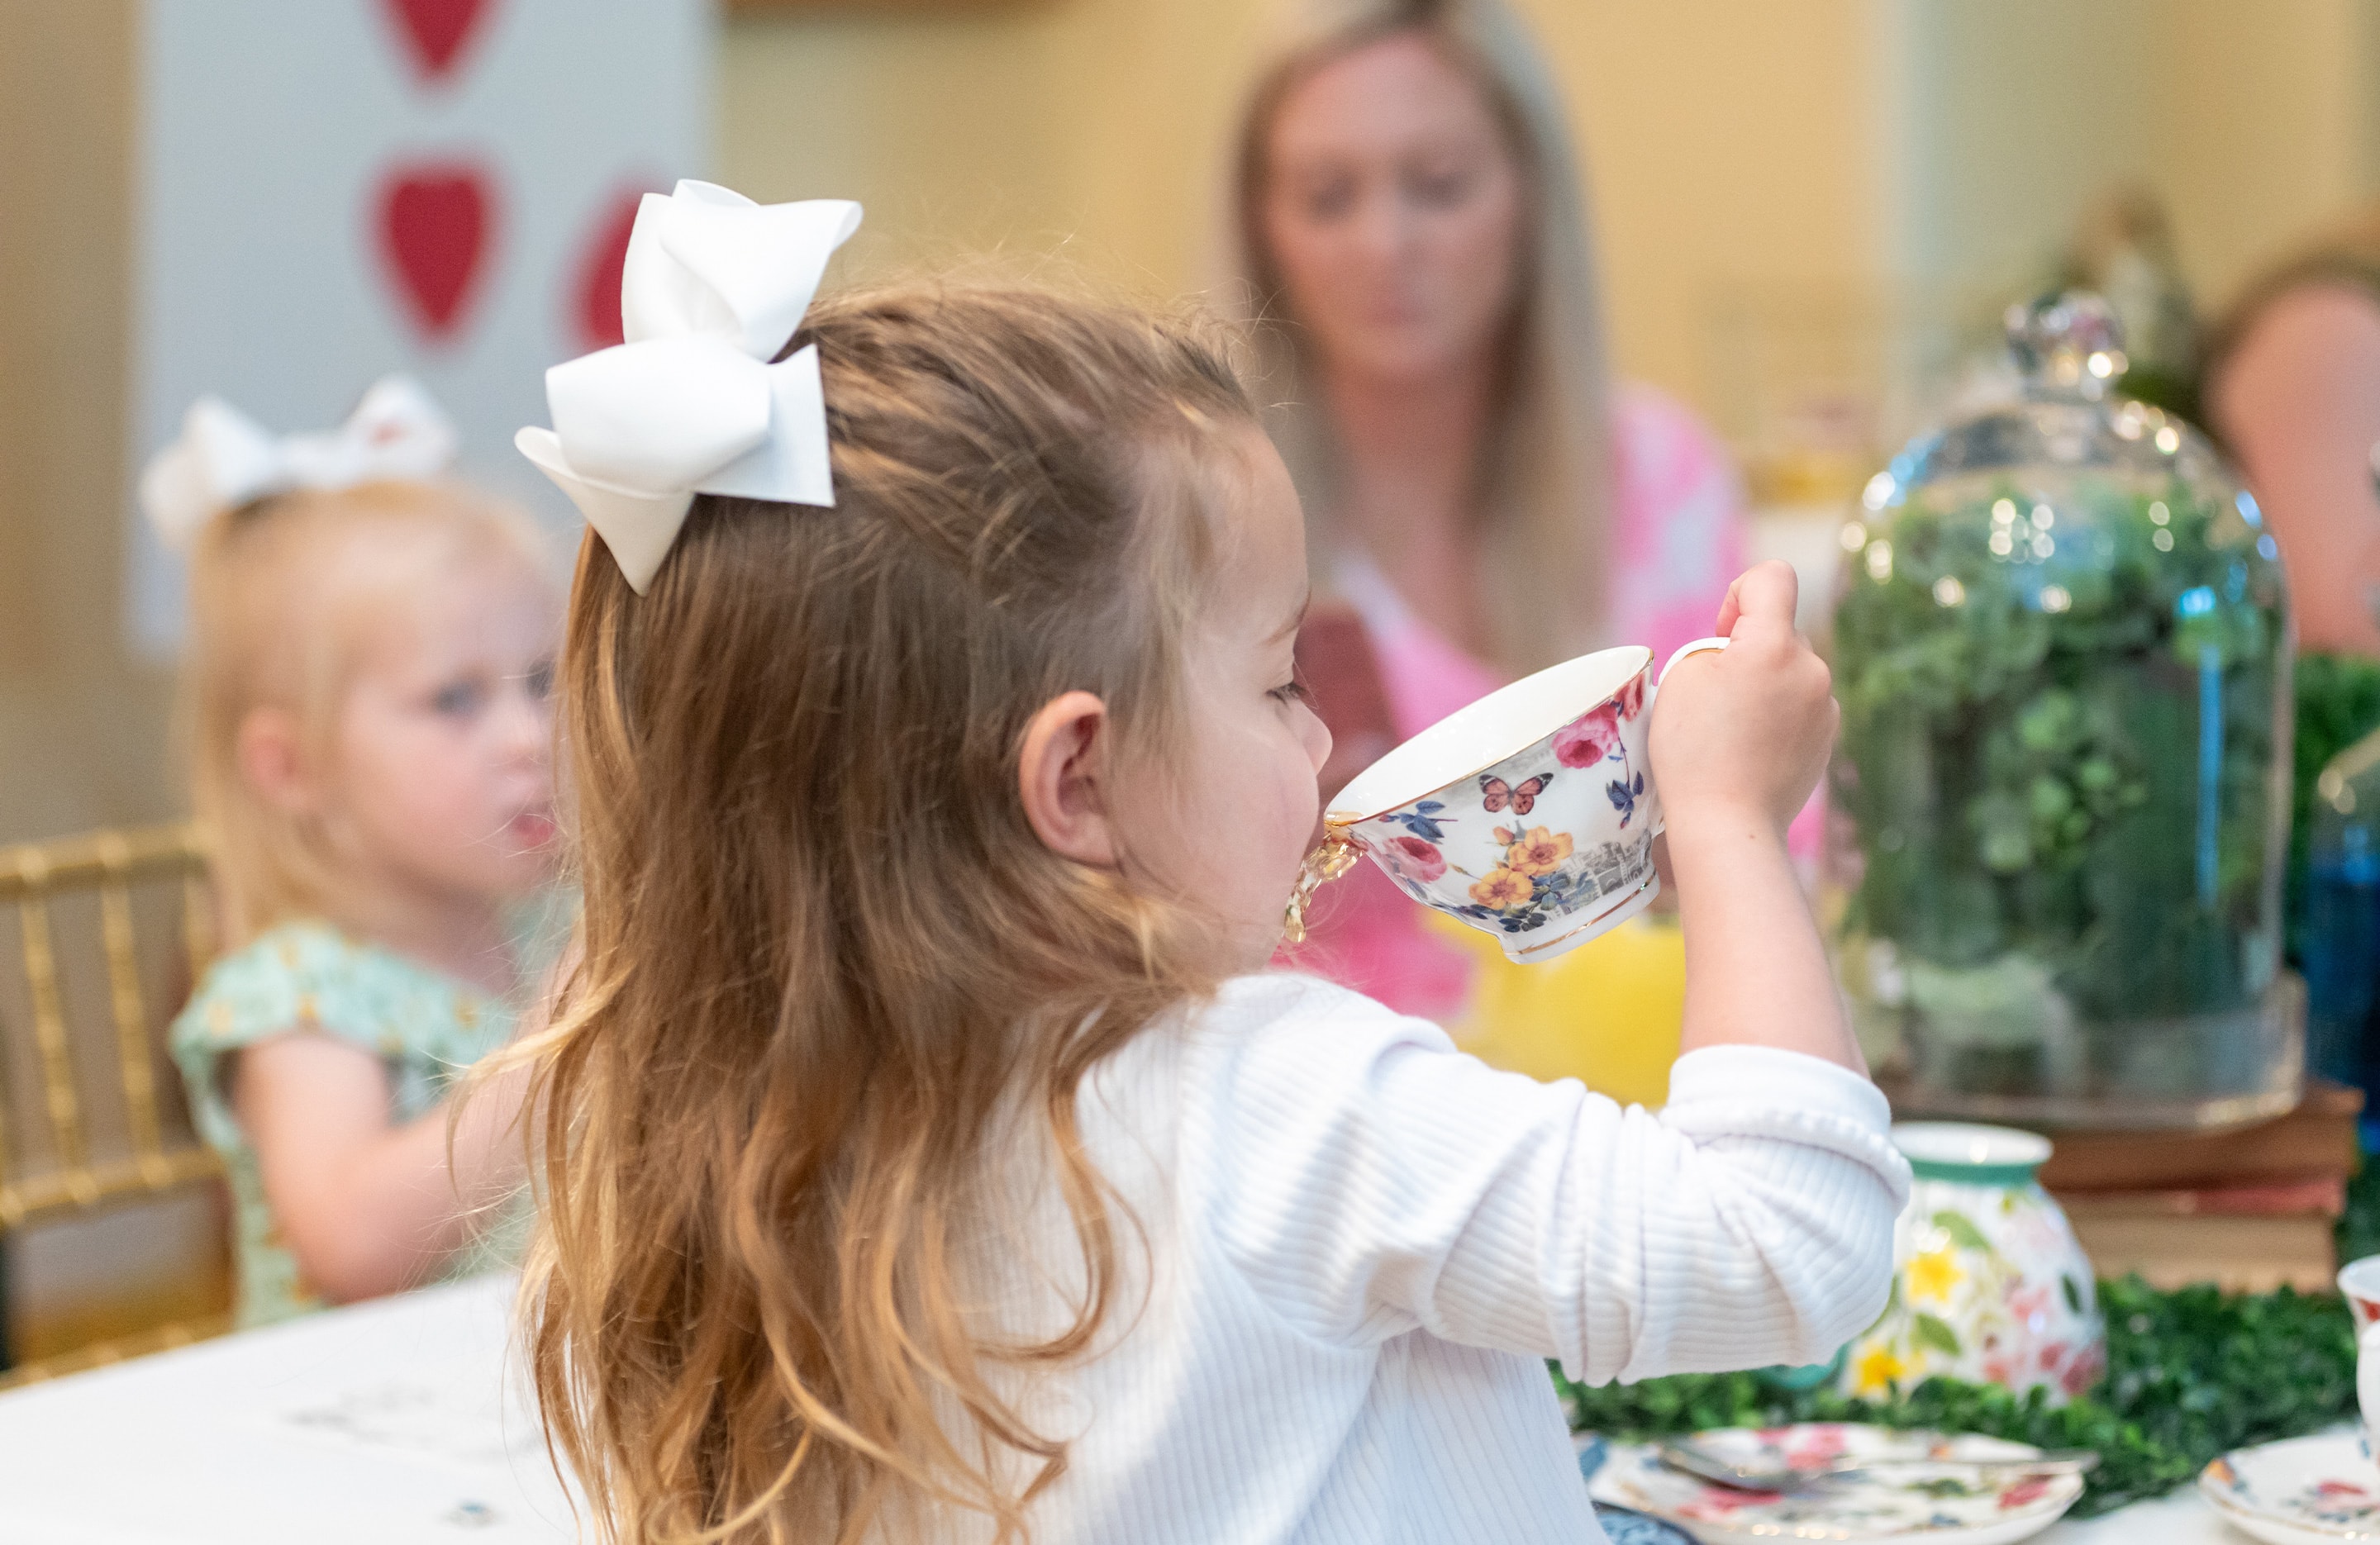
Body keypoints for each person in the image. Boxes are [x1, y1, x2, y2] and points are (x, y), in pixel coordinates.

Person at [510, 183, 1905, 1543]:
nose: (1319, 749)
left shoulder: (723, 1126)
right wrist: (1725, 817)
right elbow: (1785, 1242)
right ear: (1078, 781)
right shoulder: (1274, 1096)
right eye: (1279, 683)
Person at [1227, 0, 1749, 1019]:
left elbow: (1778, 853)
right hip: (1317, 1096)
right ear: (1261, 226)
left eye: (1440, 187)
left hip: (1635, 1073)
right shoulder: (1204, 512)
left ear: (1529, 193)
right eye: (1329, 198)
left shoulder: (1660, 478)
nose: (1386, 244)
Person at [153, 379, 562, 1327]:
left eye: (540, 681)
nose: (528, 737)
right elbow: (352, 1245)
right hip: (354, 1432)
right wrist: (552, 1050)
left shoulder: (547, 930)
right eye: (454, 699)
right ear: (294, 769)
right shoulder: (304, 994)